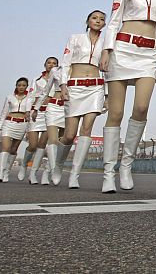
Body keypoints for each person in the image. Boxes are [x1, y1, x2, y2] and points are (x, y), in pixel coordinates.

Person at [99, 0, 156, 194]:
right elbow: (114, 20)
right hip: (122, 49)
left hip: (148, 56)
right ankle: (108, 172)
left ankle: (126, 165)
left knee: (141, 108)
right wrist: (106, 50)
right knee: (116, 112)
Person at [57, 10, 107, 189]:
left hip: (95, 87)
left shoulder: (106, 42)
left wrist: (106, 95)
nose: (98, 21)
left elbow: (107, 69)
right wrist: (63, 85)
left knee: (86, 129)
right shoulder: (75, 38)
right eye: (94, 18)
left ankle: (74, 175)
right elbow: (65, 62)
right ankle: (58, 164)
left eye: (102, 19)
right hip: (74, 86)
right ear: (87, 21)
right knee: (69, 135)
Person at [25, 58, 60, 185]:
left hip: (51, 111)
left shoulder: (59, 77)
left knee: (44, 144)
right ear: (44, 65)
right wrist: (29, 111)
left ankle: (38, 173)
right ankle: (24, 165)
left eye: (54, 63)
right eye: (49, 63)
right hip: (37, 111)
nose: (51, 65)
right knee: (33, 144)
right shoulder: (37, 80)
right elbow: (30, 96)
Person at [0, 77, 34, 182]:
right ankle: (0, 173)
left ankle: (7, 172)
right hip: (8, 123)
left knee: (13, 149)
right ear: (16, 86)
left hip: (22, 125)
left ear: (26, 87)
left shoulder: (30, 99)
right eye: (19, 85)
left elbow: (29, 115)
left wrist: (28, 130)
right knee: (5, 148)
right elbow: (3, 113)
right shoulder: (9, 97)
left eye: (23, 85)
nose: (21, 87)